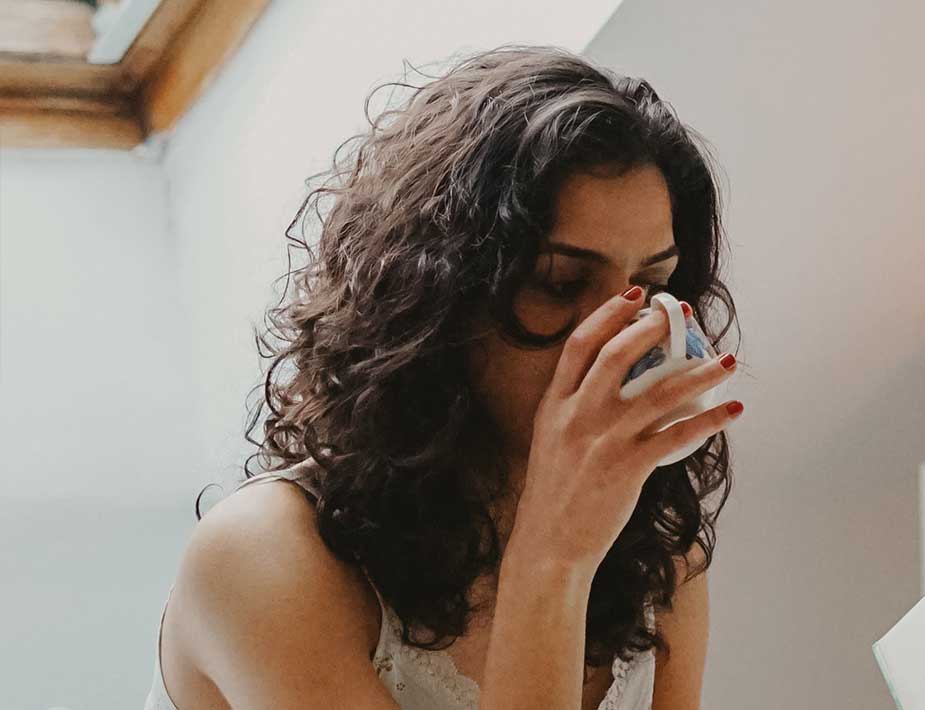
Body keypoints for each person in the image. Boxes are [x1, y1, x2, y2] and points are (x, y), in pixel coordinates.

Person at [146, 47, 740, 710]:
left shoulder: (656, 563)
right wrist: (553, 562)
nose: (625, 334)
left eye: (650, 285)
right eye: (559, 283)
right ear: (439, 296)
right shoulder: (261, 558)